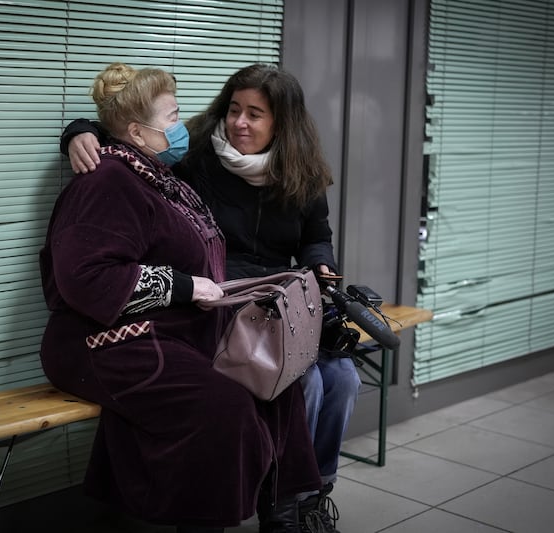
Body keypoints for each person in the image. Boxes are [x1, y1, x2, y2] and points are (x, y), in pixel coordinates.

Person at [60, 63, 361, 533]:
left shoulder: (172, 175)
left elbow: (316, 236)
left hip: (270, 299)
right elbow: (121, 129)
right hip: (216, 306)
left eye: (255, 114)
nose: (237, 122)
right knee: (275, 391)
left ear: (282, 123)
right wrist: (80, 131)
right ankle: (252, 510)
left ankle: (298, 504)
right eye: (233, 110)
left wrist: (319, 267)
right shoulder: (187, 158)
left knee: (340, 377)